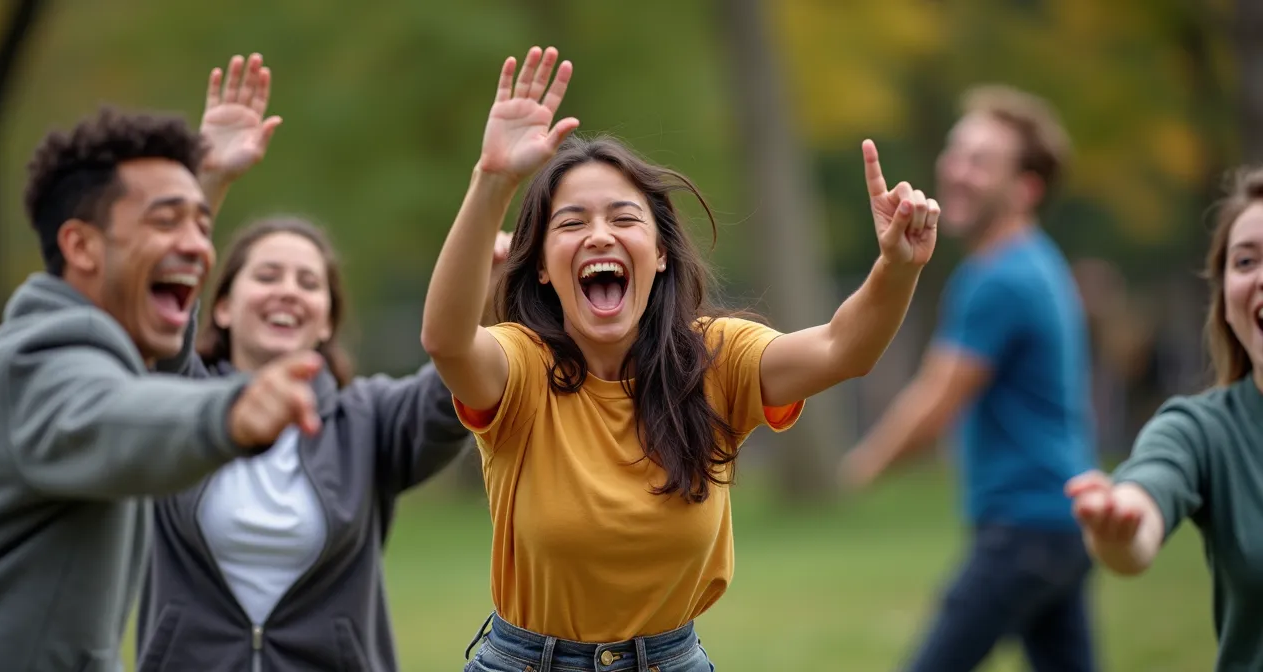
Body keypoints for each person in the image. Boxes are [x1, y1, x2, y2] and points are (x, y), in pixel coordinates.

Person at [420, 45, 939, 672]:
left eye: (623, 217)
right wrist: (493, 180)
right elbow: (448, 342)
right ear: (542, 269)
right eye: (571, 223)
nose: (600, 235)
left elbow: (842, 349)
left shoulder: (717, 359)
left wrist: (896, 267)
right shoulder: (521, 367)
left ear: (660, 253)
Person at [134, 55, 498, 672]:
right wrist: (207, 182)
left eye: (309, 282)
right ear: (220, 306)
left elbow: (451, 376)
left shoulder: (371, 419)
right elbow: (157, 317)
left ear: (327, 318)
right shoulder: (178, 403)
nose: (288, 291)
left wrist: (484, 245)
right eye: (267, 275)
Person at [0, 103, 319, 669]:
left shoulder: (107, 356)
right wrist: (230, 412)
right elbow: (115, 417)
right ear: (80, 246)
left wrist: (209, 182)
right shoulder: (32, 362)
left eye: (202, 224)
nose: (200, 245)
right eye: (166, 220)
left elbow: (149, 383)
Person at [838, 85, 1097, 671]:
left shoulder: (1000, 279)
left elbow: (936, 401)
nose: (956, 171)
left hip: (1024, 530)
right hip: (1061, 524)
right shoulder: (1035, 262)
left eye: (981, 162)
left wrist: (859, 469)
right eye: (956, 154)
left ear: (1025, 188)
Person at [1066, 168, 1263, 671]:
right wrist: (1120, 526)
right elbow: (1148, 498)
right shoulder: (1203, 431)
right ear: (1224, 294)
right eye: (1245, 261)